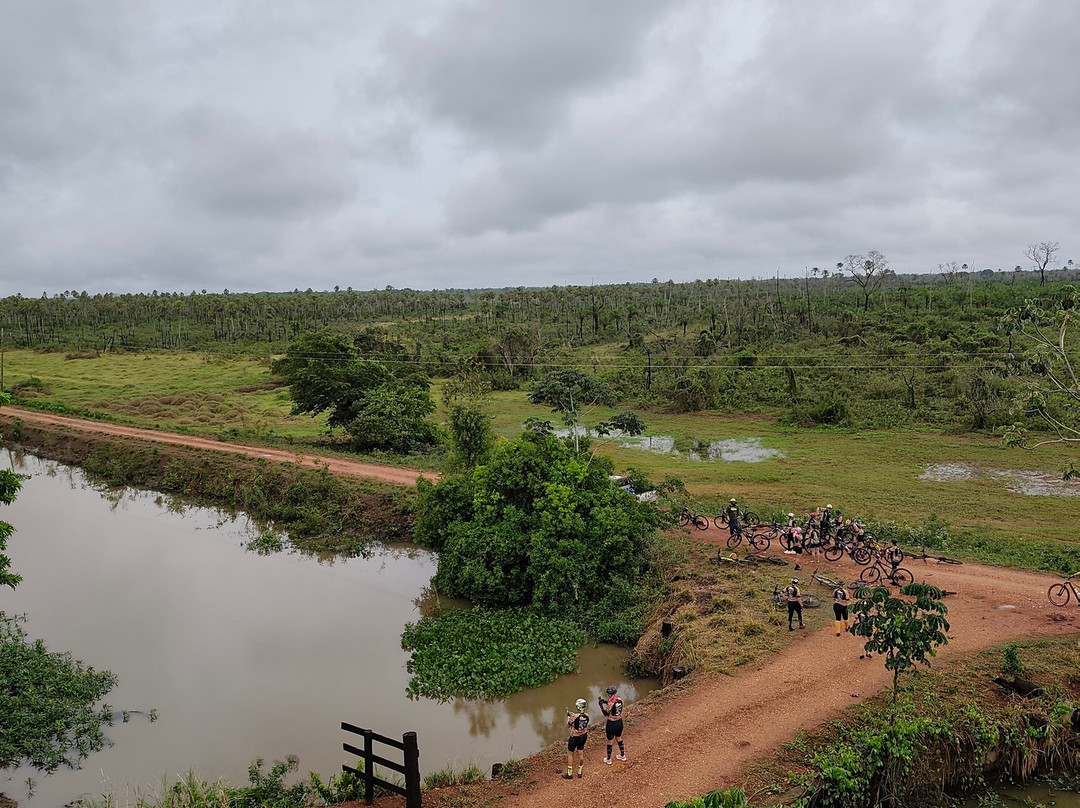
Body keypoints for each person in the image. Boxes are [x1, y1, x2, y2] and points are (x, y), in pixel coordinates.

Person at [598, 685, 626, 764]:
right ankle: (622, 755)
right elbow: (613, 705)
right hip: (619, 722)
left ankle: (608, 759)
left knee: (610, 741)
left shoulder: (610, 703)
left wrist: (601, 705)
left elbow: (605, 713)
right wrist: (605, 702)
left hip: (611, 723)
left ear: (610, 694)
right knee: (619, 738)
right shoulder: (619, 700)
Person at [564, 698, 590, 779]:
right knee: (581, 753)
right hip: (584, 736)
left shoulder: (574, 716)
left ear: (577, 707)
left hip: (575, 737)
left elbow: (568, 725)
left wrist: (569, 717)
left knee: (570, 754)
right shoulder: (587, 715)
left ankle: (569, 773)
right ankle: (579, 772)